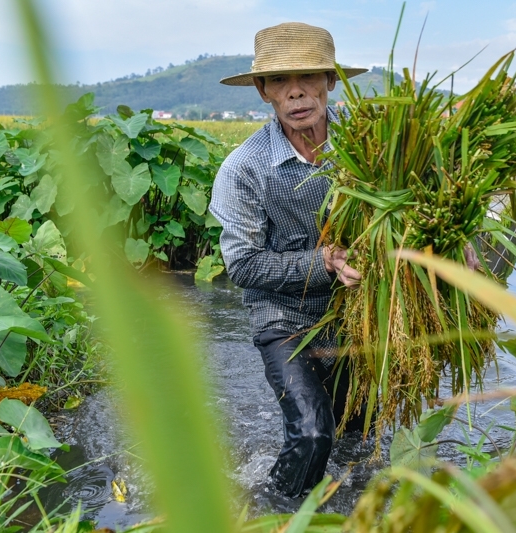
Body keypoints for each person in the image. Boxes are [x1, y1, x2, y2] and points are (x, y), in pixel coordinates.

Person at [210, 22, 367, 497]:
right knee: (314, 431)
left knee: (358, 432)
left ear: (330, 82)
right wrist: (323, 262)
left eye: (308, 77)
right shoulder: (246, 167)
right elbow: (243, 265)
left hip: (355, 313)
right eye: (279, 81)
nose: (296, 92)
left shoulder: (368, 148)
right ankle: (272, 511)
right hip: (284, 316)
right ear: (262, 91)